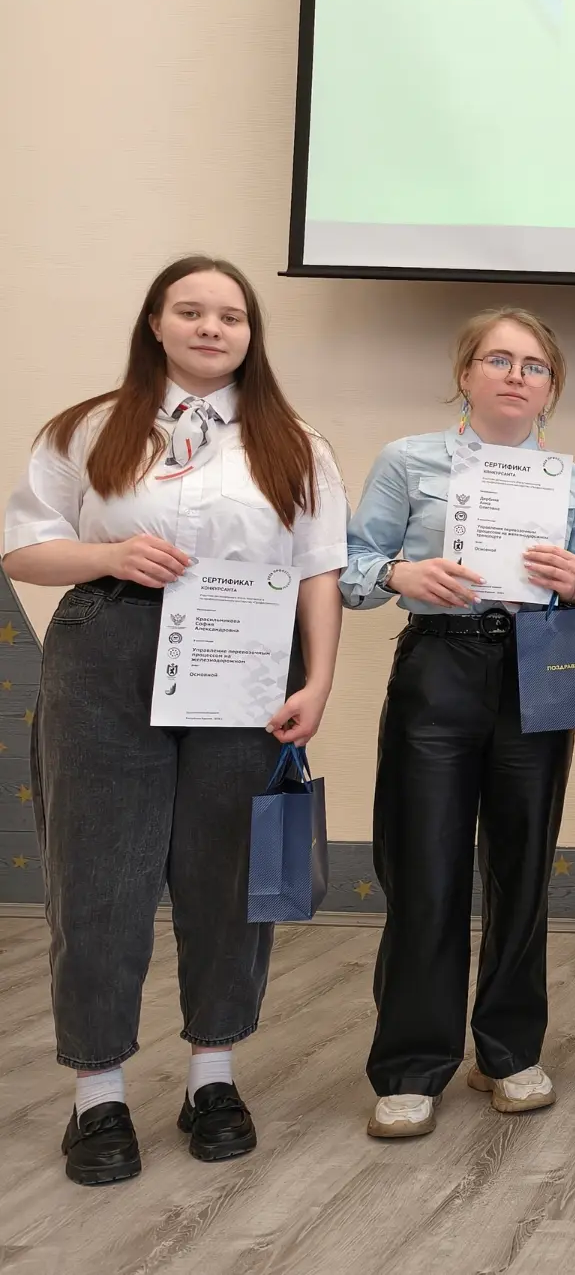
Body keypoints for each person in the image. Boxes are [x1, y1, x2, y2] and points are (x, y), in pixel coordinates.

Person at [4, 256, 346, 1186]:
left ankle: (213, 1079)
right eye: (190, 311)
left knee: (227, 870)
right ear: (155, 323)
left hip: (245, 657)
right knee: (97, 873)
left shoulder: (295, 442)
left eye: (230, 316)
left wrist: (318, 680)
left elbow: (319, 568)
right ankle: (98, 1093)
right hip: (107, 649)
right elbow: (24, 550)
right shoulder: (86, 428)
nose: (210, 328)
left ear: (250, 333)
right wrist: (108, 553)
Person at [343, 309, 575, 1140]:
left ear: (550, 389)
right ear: (466, 375)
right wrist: (402, 573)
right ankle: (411, 1066)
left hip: (536, 670)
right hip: (439, 666)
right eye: (498, 359)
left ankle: (509, 1052)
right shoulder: (407, 460)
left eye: (535, 366)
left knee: (523, 866)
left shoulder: (571, 482)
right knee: (425, 866)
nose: (516, 375)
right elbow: (350, 569)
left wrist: (574, 585)